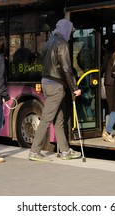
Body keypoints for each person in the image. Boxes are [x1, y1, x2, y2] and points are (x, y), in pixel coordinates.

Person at [28, 19, 82, 162]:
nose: (70, 34)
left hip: (46, 82)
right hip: (56, 85)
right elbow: (66, 68)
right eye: (70, 31)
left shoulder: (48, 43)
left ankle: (65, 151)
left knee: (59, 120)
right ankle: (34, 151)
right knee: (47, 118)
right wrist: (74, 88)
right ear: (66, 30)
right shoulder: (62, 44)